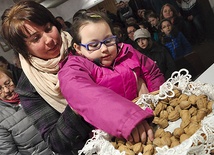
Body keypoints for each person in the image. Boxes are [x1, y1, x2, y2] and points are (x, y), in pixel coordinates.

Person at [58, 11, 165, 144]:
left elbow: (152, 72)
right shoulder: (73, 68)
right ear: (78, 48)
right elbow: (83, 93)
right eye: (93, 45)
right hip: (115, 137)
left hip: (149, 119)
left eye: (108, 40)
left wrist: (158, 103)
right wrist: (129, 119)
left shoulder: (127, 51)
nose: (104, 49)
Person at [1, 1, 93, 155]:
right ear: (24, 49)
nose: (49, 40)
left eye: (49, 28)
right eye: (36, 39)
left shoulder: (82, 43)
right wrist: (75, 104)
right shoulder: (28, 87)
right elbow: (56, 142)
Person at [0, 67, 54, 155]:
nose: (6, 90)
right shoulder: (1, 118)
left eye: (8, 83)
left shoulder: (32, 93)